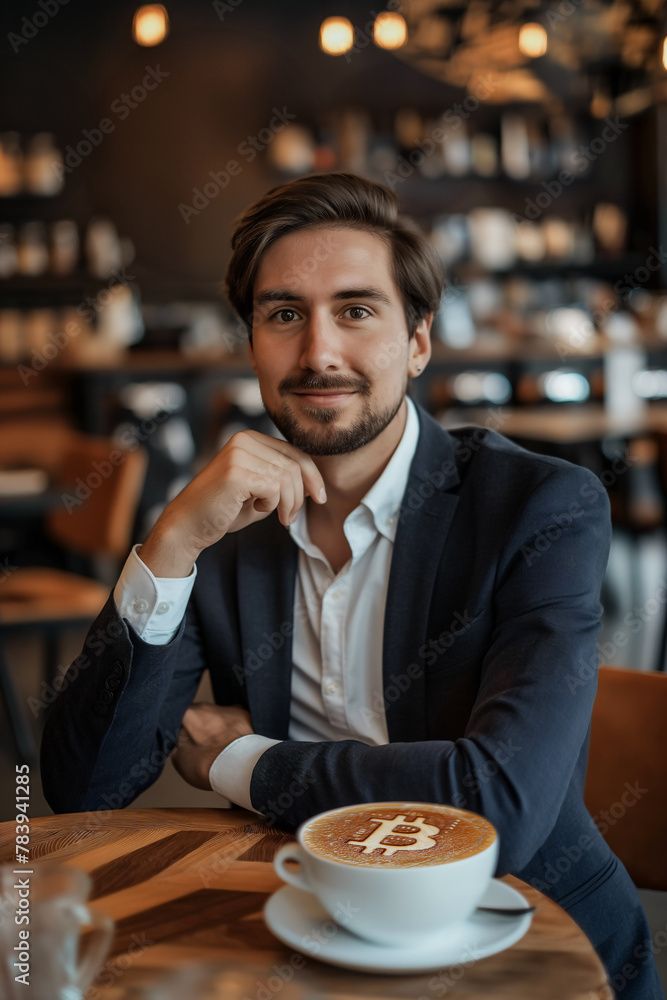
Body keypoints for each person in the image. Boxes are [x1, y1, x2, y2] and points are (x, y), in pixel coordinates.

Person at [42, 172, 663, 998]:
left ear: (417, 340)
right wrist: (171, 542)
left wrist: (240, 763)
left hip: (528, 939)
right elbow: (85, 787)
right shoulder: (222, 523)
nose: (319, 353)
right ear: (251, 339)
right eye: (284, 314)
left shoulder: (538, 507)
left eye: (357, 310)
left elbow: (495, 807)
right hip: (295, 932)